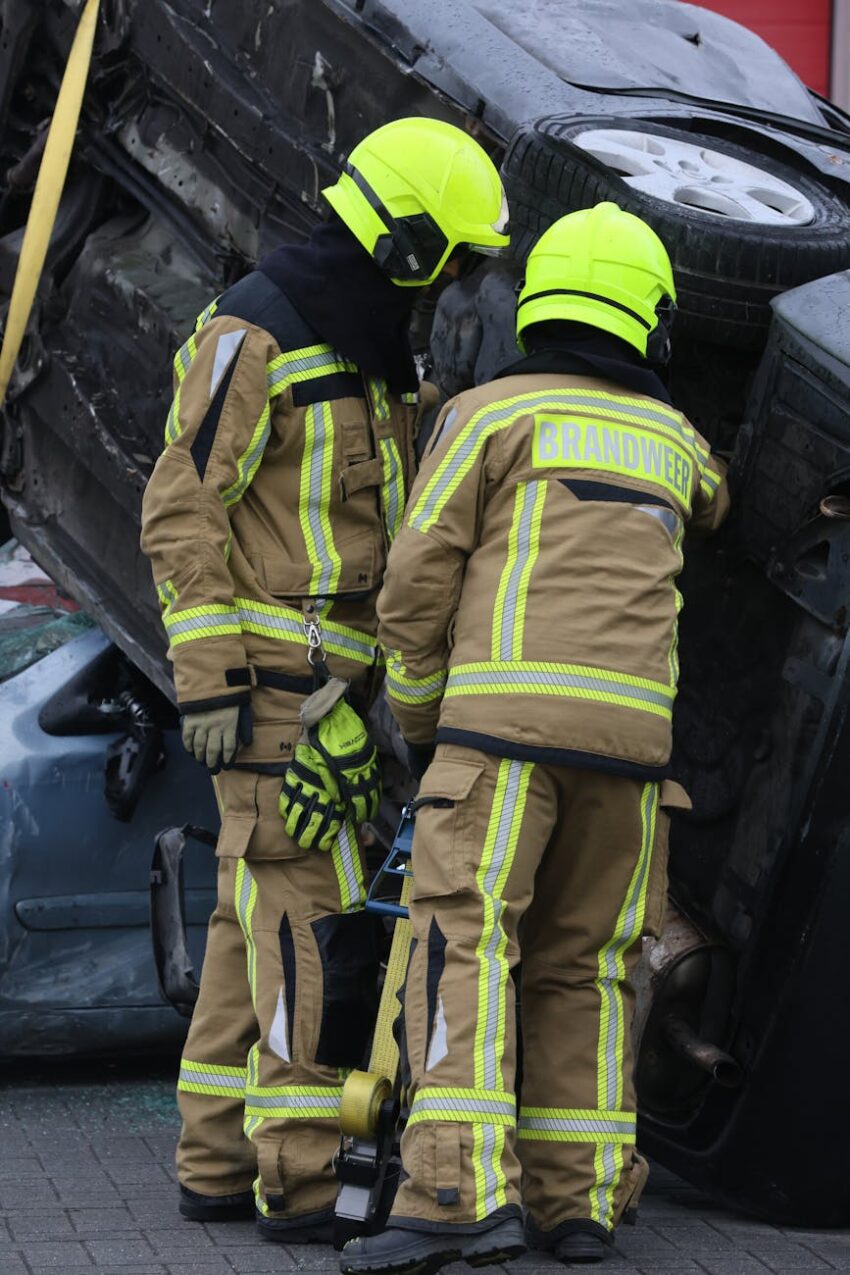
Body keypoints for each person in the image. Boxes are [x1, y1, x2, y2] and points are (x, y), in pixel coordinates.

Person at [139, 115, 509, 1242]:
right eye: (447, 259)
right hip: (266, 697)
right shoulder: (256, 337)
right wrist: (208, 684)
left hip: (326, 695)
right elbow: (179, 507)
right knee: (306, 919)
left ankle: (213, 1161)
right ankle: (299, 1182)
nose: (449, 285)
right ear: (402, 246)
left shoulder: (365, 348)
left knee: (250, 923)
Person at [342, 202, 730, 1274]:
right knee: (587, 968)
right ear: (649, 319)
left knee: (461, 941)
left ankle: (455, 1196)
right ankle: (580, 1205)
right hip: (632, 764)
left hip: (500, 743)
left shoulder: (481, 416)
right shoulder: (675, 441)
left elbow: (415, 586)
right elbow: (712, 504)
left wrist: (423, 723)